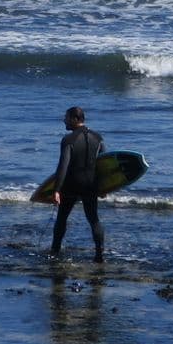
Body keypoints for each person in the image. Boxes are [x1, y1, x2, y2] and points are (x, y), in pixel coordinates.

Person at [49, 105, 106, 263]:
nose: (64, 120)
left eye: (66, 118)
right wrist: (103, 187)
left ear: (75, 119)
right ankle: (99, 254)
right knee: (94, 219)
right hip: (91, 185)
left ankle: (55, 251)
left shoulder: (69, 139)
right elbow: (104, 164)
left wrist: (56, 190)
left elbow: (63, 166)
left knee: (62, 218)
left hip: (71, 184)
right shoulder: (98, 138)